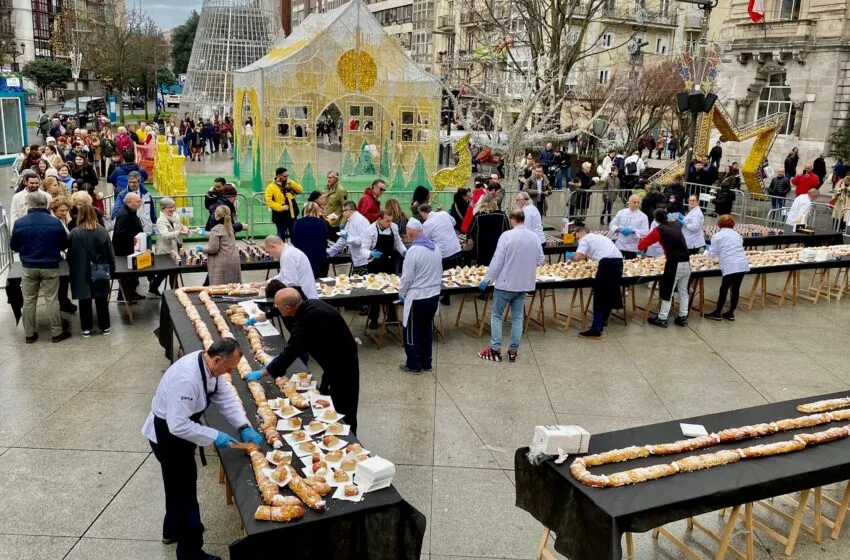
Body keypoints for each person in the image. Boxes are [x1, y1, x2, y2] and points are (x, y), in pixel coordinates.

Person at [142, 338, 262, 560]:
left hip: (179, 431)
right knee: (185, 495)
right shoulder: (187, 379)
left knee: (175, 486)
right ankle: (190, 553)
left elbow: (224, 397)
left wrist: (243, 426)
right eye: (228, 368)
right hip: (168, 436)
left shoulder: (209, 365)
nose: (229, 373)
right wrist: (216, 435)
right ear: (217, 359)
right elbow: (177, 425)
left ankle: (171, 529)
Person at [245, 289, 361, 433]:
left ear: (288, 308)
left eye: (278, 306)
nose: (277, 308)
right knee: (326, 393)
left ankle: (349, 437)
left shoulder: (307, 320)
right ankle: (329, 423)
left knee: (344, 404)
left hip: (343, 364)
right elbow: (280, 309)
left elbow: (291, 351)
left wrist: (264, 372)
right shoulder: (308, 304)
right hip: (332, 360)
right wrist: (262, 317)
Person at [477, 209, 544, 362]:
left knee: (496, 315)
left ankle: (495, 349)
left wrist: (487, 280)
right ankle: (513, 351)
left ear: (512, 220)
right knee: (517, 318)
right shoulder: (534, 237)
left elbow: (497, 261)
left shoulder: (507, 236)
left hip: (505, 284)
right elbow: (540, 259)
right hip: (523, 284)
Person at [9, 191, 71, 343]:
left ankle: (29, 334)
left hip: (29, 266)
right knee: (52, 299)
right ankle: (56, 333)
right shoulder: (54, 222)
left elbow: (14, 245)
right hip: (50, 265)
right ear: (45, 204)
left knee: (29, 300)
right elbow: (64, 243)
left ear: (29, 204)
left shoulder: (20, 223)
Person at [398, 218, 442, 373]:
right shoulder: (435, 247)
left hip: (418, 297)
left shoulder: (414, 251)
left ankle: (414, 364)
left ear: (410, 234)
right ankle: (426, 361)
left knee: (411, 331)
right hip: (434, 295)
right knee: (426, 329)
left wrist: (401, 292)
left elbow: (407, 278)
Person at [566, 227, 624, 339]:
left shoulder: (585, 239)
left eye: (577, 237)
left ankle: (596, 329)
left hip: (607, 263)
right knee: (609, 292)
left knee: (600, 295)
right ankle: (602, 322)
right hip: (619, 262)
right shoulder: (599, 237)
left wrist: (572, 257)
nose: (577, 240)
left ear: (581, 233)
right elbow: (593, 255)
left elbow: (578, 257)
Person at [67, 204, 115, 337]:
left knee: (84, 300)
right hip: (99, 269)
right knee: (101, 299)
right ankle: (105, 327)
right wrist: (112, 269)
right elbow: (110, 253)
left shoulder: (74, 233)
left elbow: (70, 255)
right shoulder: (102, 231)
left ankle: (86, 328)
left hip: (80, 270)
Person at [638, 209, 691, 327]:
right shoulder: (676, 225)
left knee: (668, 291)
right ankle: (683, 317)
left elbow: (643, 244)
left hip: (674, 263)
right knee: (683, 291)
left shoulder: (658, 230)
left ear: (655, 219)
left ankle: (662, 318)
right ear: (666, 216)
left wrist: (640, 243)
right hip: (687, 262)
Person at [365, 209, 408, 329]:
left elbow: (398, 243)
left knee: (393, 290)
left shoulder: (393, 227)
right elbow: (363, 249)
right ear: (379, 219)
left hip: (389, 263)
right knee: (374, 293)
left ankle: (392, 317)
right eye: (387, 221)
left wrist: (404, 251)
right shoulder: (370, 230)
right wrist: (371, 253)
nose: (390, 223)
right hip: (375, 264)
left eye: (391, 220)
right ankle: (373, 318)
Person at [705, 215, 750, 321]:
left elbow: (712, 254)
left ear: (719, 224)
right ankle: (730, 313)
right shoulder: (738, 235)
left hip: (730, 265)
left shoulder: (717, 236)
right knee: (735, 289)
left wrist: (708, 250)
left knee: (724, 288)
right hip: (742, 264)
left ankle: (717, 313)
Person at [419, 202, 462, 305]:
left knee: (442, 275)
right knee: (451, 274)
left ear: (423, 213)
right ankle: (447, 297)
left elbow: (424, 239)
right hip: (456, 248)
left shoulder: (427, 224)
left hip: (444, 253)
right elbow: (454, 223)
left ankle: (441, 296)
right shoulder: (444, 214)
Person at [150, 198, 190, 296]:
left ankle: (154, 289)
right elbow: (165, 235)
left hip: (174, 248)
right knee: (169, 271)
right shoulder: (160, 221)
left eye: (173, 207)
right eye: (169, 208)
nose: (172, 209)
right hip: (165, 250)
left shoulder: (175, 216)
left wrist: (186, 230)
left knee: (170, 271)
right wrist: (179, 232)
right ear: (163, 209)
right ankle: (175, 292)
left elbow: (180, 226)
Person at [112, 192, 145, 303]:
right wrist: (136, 235)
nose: (140, 203)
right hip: (124, 250)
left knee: (133, 275)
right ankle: (124, 296)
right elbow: (120, 233)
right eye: (137, 201)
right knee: (127, 275)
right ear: (129, 202)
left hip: (131, 249)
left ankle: (131, 293)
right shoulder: (124, 214)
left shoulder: (131, 211)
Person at [264, 235, 319, 300]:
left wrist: (269, 289)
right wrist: (265, 283)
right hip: (306, 297)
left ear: (273, 246)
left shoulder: (287, 255)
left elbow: (290, 282)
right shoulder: (289, 252)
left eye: (269, 252)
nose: (271, 256)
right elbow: (282, 276)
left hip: (305, 299)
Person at [327, 201, 371, 275]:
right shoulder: (350, 221)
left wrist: (349, 238)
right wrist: (329, 252)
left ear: (349, 210)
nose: (342, 213)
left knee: (361, 283)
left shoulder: (361, 221)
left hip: (363, 260)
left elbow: (365, 240)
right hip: (356, 260)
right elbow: (342, 240)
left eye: (343, 211)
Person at [202, 205, 241, 285]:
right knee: (232, 289)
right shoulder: (229, 227)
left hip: (221, 263)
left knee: (219, 291)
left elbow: (213, 249)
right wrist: (203, 233)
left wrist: (201, 249)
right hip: (234, 261)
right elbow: (220, 235)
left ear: (216, 215)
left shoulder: (216, 229)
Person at [292, 202, 330, 278]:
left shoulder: (298, 222)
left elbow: (294, 240)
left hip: (302, 255)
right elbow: (325, 239)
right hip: (319, 256)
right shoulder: (322, 223)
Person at [468, 194, 509, 265]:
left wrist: (476, 239)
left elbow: (471, 231)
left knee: (483, 270)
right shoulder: (502, 215)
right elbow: (507, 230)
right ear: (494, 202)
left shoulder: (478, 216)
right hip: (498, 246)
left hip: (482, 248)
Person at [265, 167, 303, 241]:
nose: (287, 178)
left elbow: (300, 190)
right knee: (281, 237)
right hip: (280, 217)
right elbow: (269, 202)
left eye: (287, 176)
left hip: (292, 215)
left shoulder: (289, 183)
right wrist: (281, 207)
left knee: (295, 236)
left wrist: (291, 182)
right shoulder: (270, 187)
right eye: (285, 176)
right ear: (279, 176)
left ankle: (294, 250)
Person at [610, 195, 649, 259]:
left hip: (632, 247)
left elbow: (645, 231)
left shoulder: (643, 216)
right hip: (620, 245)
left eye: (638, 203)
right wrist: (619, 229)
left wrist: (633, 230)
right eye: (634, 202)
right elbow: (612, 224)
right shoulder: (621, 212)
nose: (636, 204)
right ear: (629, 202)